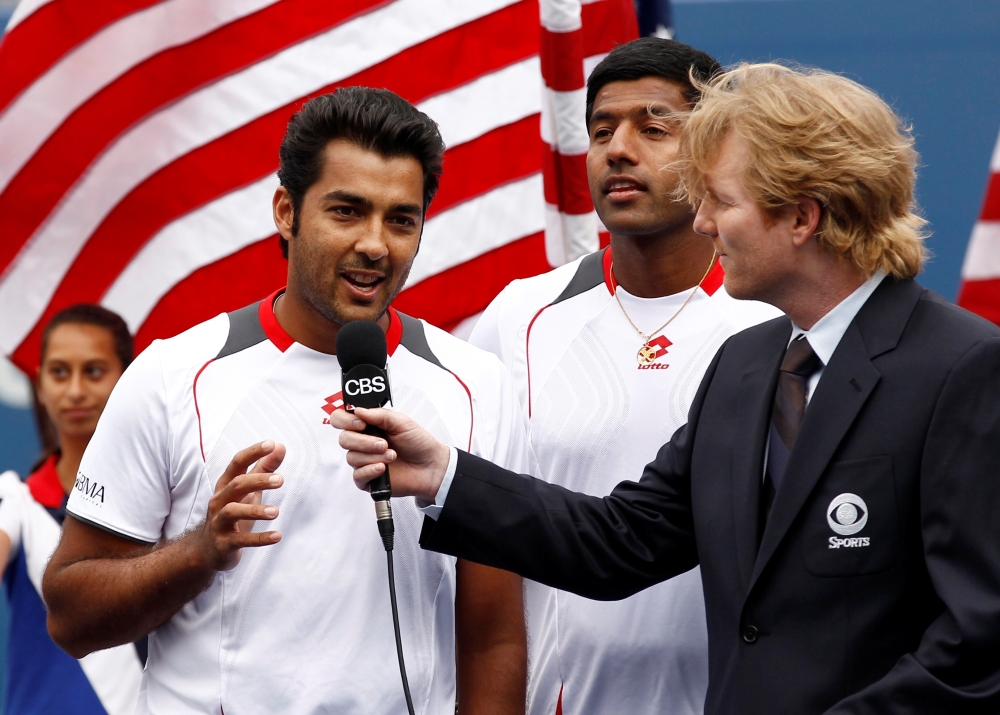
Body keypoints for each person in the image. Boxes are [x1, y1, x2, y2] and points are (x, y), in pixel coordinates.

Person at [335, 64, 1000, 714]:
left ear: (802, 217)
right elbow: (620, 539)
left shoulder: (963, 368)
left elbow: (979, 637)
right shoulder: (747, 365)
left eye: (722, 200)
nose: (703, 221)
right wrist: (445, 474)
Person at [42, 88, 529, 715]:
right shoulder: (171, 375)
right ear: (285, 211)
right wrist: (199, 553)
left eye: (401, 219)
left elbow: (492, 638)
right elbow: (72, 616)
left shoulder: (474, 386)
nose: (376, 244)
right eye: (347, 212)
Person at [469, 37, 779, 715]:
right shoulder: (517, 317)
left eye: (654, 127)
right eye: (601, 129)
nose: (618, 148)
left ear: (714, 153)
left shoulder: (775, 320)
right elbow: (479, 543)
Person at [0, 304, 142, 715]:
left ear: (126, 379)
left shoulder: (166, 502)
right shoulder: (15, 499)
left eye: (94, 371)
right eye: (59, 372)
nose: (75, 390)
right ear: (40, 384)